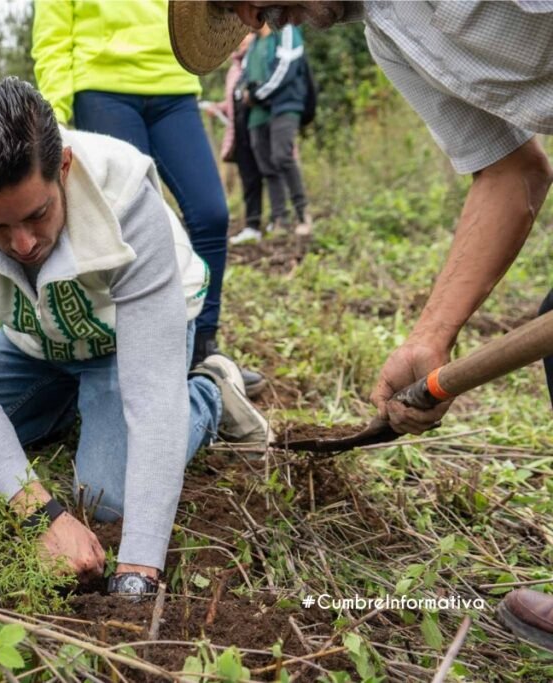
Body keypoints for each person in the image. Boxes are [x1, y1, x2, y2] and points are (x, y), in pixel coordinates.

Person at [169, 0, 553, 650]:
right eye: (235, 12)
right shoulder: (391, 38)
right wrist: (429, 338)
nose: (256, 21)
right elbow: (509, 170)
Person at [0, 79, 271, 599]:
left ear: (64, 168)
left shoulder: (125, 195)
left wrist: (139, 570)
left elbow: (150, 399)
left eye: (37, 214)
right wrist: (40, 513)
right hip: (37, 340)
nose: (23, 244)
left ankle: (208, 392)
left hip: (124, 338)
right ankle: (75, 400)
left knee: (106, 496)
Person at [32, 0, 267, 396]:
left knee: (211, 213)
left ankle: (203, 348)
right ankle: (141, 352)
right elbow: (52, 32)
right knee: (136, 224)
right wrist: (55, 114)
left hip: (174, 88)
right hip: (102, 87)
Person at [241, 22, 311, 239]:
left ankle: (303, 214)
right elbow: (245, 75)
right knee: (267, 166)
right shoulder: (253, 44)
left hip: (284, 106)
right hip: (257, 113)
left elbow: (285, 68)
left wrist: (256, 94)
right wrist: (243, 92)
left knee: (282, 156)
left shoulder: (286, 31)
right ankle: (280, 218)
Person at [205, 33, 268, 245]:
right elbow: (234, 100)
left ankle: (280, 219)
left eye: (247, 35)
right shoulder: (234, 69)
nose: (242, 40)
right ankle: (252, 223)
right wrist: (218, 107)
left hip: (260, 126)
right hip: (240, 131)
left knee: (271, 170)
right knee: (248, 176)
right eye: (239, 37)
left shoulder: (262, 57)